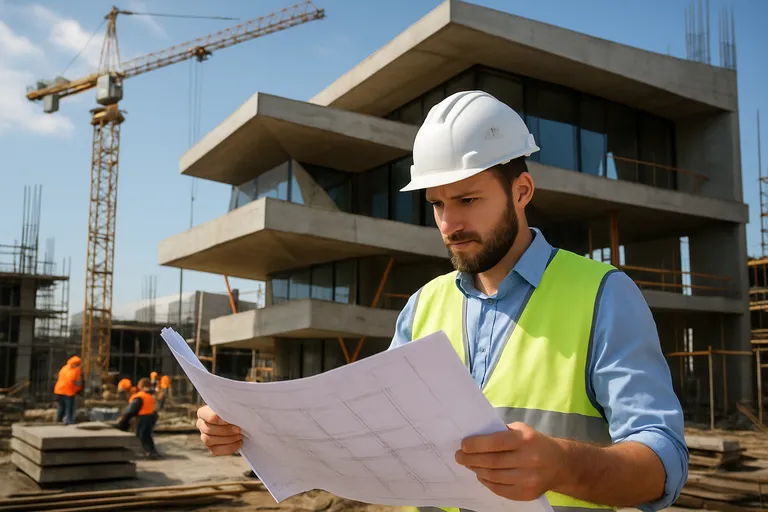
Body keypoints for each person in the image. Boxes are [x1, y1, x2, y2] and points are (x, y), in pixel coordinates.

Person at [194, 91, 689, 511]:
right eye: (436, 204)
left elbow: (662, 465)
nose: (449, 223)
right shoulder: (424, 305)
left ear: (522, 190)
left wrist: (563, 465)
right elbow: (370, 437)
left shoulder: (603, 295)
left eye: (468, 199)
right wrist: (254, 430)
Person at [116, 377, 161, 459]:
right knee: (147, 435)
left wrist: (122, 422)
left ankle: (150, 452)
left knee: (142, 435)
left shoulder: (139, 397)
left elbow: (131, 411)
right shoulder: (147, 395)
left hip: (144, 417)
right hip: (150, 416)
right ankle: (152, 451)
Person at [53, 355, 82, 425]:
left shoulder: (64, 368)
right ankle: (69, 421)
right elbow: (77, 382)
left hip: (59, 390)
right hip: (68, 392)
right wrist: (79, 389)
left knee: (61, 406)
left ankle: (58, 420)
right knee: (69, 407)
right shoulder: (76, 370)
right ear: (76, 364)